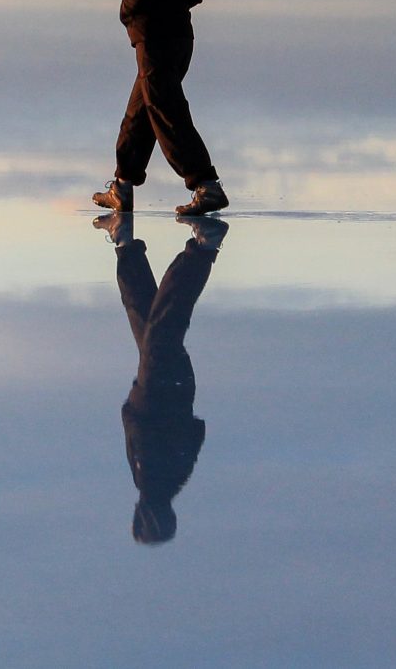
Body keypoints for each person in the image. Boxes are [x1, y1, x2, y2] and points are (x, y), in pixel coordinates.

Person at [93, 0, 228, 218]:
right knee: (139, 114)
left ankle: (205, 184)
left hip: (157, 43)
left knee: (167, 113)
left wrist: (127, 13)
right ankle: (122, 186)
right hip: (177, 40)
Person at [98, 210, 226, 543]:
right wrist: (143, 408)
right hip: (162, 389)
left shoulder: (166, 482)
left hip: (165, 388)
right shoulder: (157, 482)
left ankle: (123, 240)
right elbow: (145, 429)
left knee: (142, 311)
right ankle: (203, 246)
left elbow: (196, 433)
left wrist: (140, 406)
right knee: (167, 317)